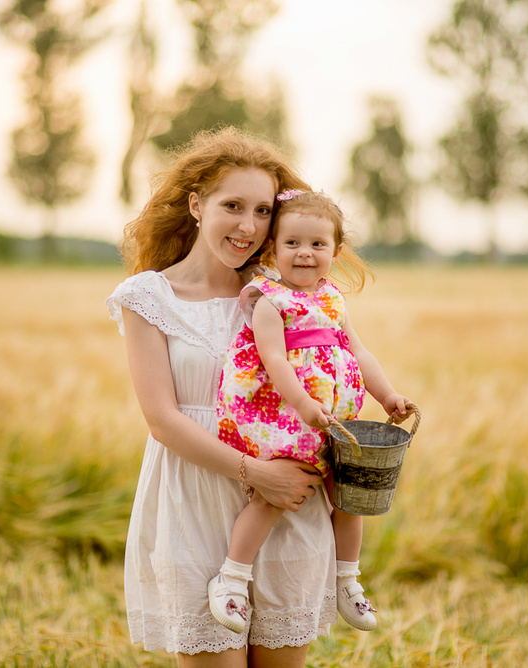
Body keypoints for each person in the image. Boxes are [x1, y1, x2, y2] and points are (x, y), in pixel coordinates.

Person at [106, 127, 336, 668]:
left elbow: (331, 376)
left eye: (261, 211)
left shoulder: (280, 296)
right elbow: (162, 419)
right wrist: (257, 474)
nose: (248, 226)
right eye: (232, 205)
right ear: (196, 204)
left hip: (282, 506)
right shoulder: (148, 297)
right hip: (197, 500)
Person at [209, 189, 412, 635]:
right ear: (273, 248)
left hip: (333, 421)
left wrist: (389, 397)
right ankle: (232, 579)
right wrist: (303, 404)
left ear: (335, 252)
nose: (305, 253)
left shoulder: (333, 299)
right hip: (285, 416)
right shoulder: (267, 299)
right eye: (292, 243)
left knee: (350, 496)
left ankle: (347, 580)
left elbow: (358, 352)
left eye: (317, 245)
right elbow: (274, 360)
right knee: (272, 497)